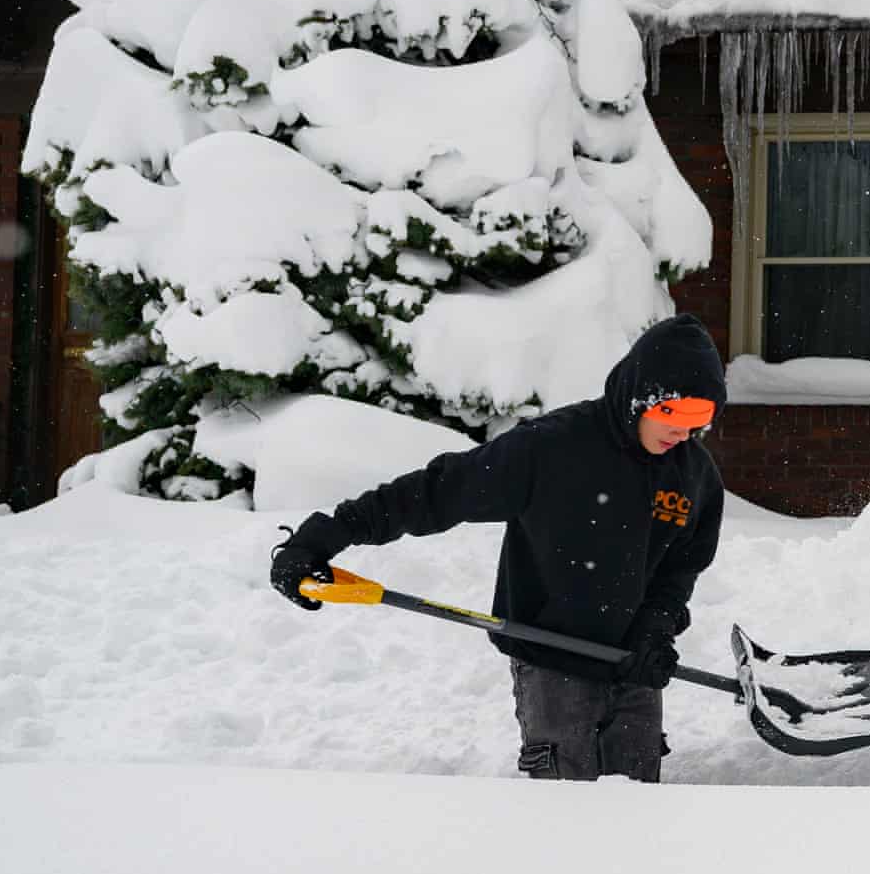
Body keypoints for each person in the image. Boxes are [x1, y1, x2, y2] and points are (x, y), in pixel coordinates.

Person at [269, 316, 728, 782]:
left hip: (632, 663)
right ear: (638, 398)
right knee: (565, 799)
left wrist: (655, 629)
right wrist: (323, 536)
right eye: (673, 414)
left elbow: (681, 567)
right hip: (552, 658)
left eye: (699, 420)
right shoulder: (553, 448)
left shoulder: (694, 476)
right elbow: (437, 493)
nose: (682, 432)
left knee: (638, 797)